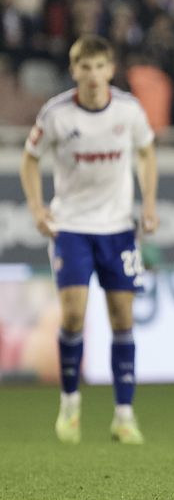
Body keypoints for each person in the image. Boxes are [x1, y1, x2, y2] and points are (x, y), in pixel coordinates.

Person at [19, 34, 159, 445]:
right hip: (71, 227)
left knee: (122, 318)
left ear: (110, 69)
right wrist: (37, 208)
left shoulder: (129, 110)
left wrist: (149, 202)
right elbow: (29, 158)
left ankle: (124, 415)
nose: (93, 75)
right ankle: (69, 405)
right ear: (74, 70)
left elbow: (147, 152)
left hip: (118, 228)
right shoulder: (57, 114)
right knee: (73, 316)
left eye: (100, 67)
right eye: (85, 67)